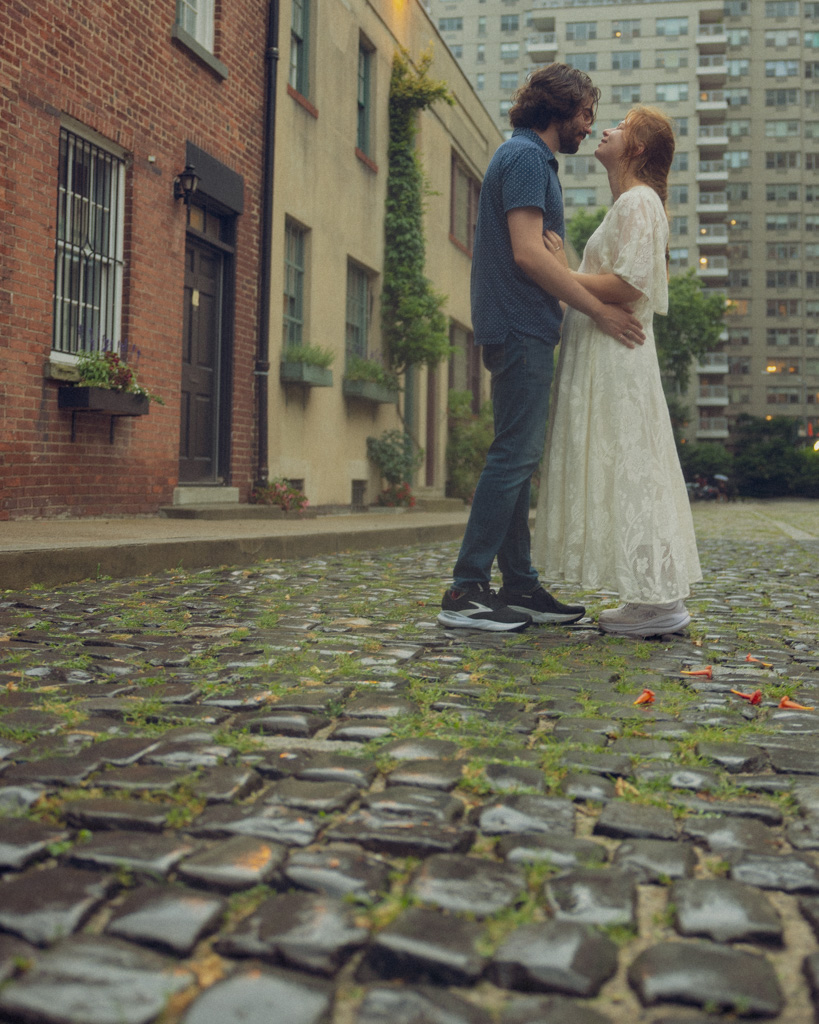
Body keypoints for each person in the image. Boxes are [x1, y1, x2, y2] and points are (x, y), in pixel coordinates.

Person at [438, 64, 646, 633]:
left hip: (519, 326)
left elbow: (537, 254)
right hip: (519, 327)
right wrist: (598, 309)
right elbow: (529, 255)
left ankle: (521, 586)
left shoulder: (527, 157)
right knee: (514, 455)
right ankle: (466, 588)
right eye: (585, 115)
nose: (588, 127)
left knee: (515, 453)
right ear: (561, 107)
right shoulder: (527, 158)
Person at [532, 107, 702, 637]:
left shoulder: (638, 201)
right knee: (623, 465)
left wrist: (561, 272)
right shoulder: (629, 204)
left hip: (616, 357)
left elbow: (630, 283)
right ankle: (645, 593)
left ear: (636, 149)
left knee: (632, 465)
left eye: (620, 128)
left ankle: (661, 600)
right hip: (604, 354)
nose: (604, 130)